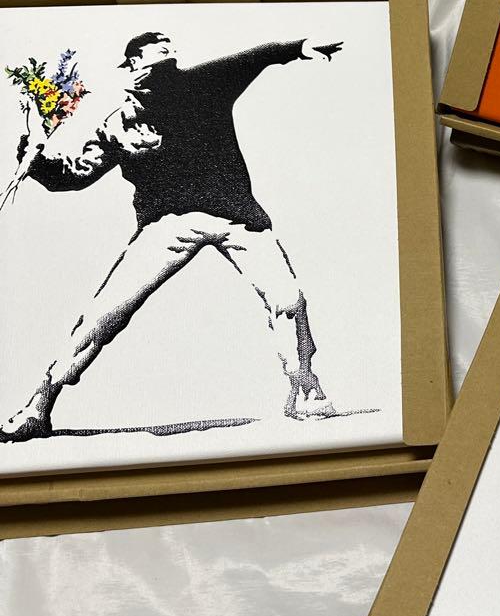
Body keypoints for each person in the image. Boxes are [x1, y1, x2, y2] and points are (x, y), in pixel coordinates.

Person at [0, 31, 343, 443]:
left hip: (237, 218)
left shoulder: (204, 83)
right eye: (156, 49)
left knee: (288, 299)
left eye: (170, 49)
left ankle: (305, 388)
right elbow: (72, 177)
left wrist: (298, 49)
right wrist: (34, 155)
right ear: (132, 64)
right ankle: (39, 405)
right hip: (167, 226)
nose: (167, 52)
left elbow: (254, 57)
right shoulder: (117, 124)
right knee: (103, 315)